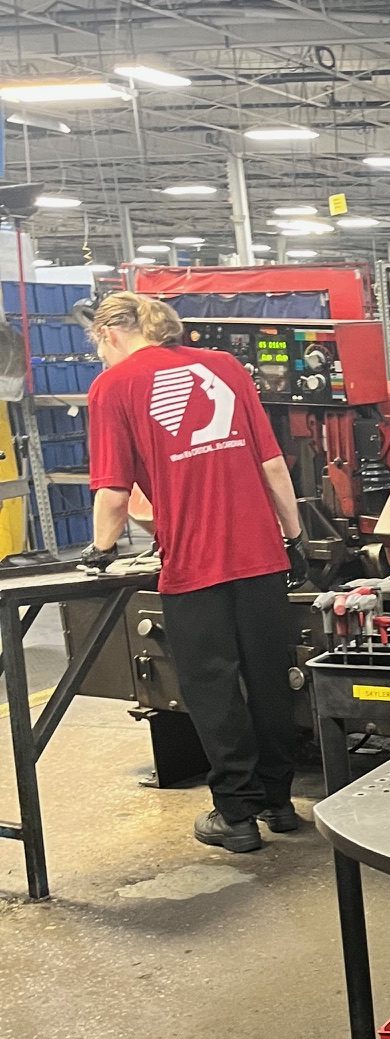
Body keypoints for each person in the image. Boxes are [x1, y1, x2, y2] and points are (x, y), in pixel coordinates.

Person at [83, 291, 309, 854]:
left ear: (111, 333)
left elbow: (113, 492)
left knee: (213, 689)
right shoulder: (225, 366)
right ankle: (279, 803)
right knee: (269, 680)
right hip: (260, 557)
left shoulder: (113, 386)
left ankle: (236, 816)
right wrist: (295, 534)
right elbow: (273, 463)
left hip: (193, 564)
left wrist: (99, 550)